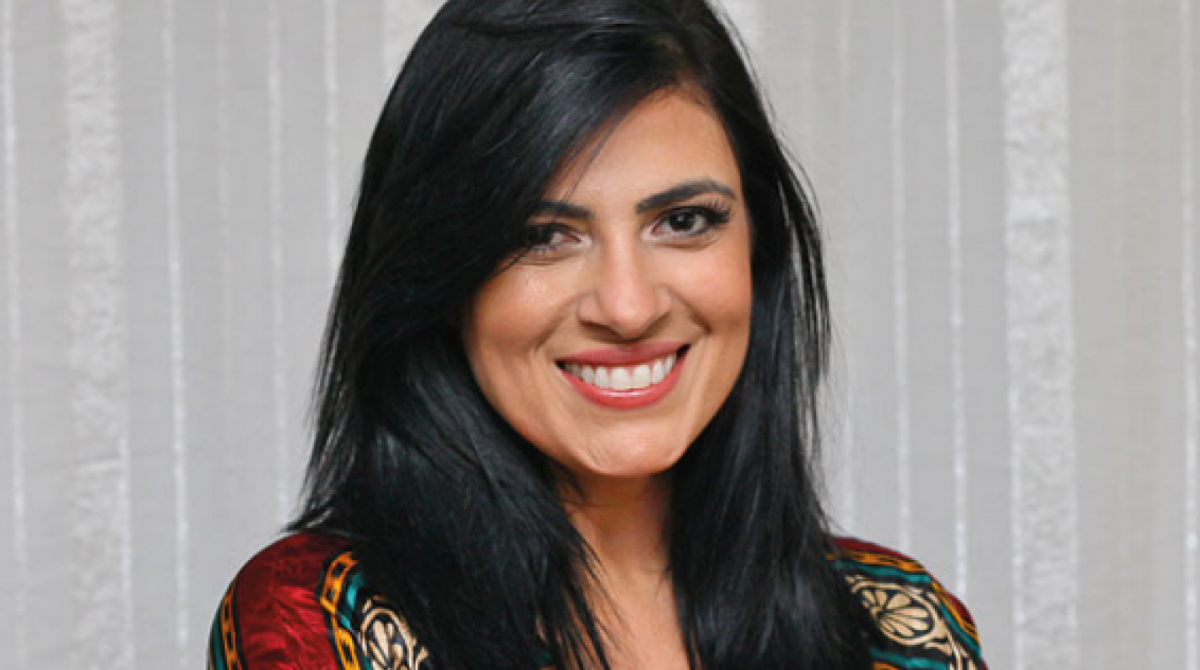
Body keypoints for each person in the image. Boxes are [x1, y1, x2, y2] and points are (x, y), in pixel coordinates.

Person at [207, 1, 987, 669]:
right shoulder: (316, 623)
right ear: (440, 277)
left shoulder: (904, 631)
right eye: (544, 235)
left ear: (758, 247)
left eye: (684, 221)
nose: (628, 306)